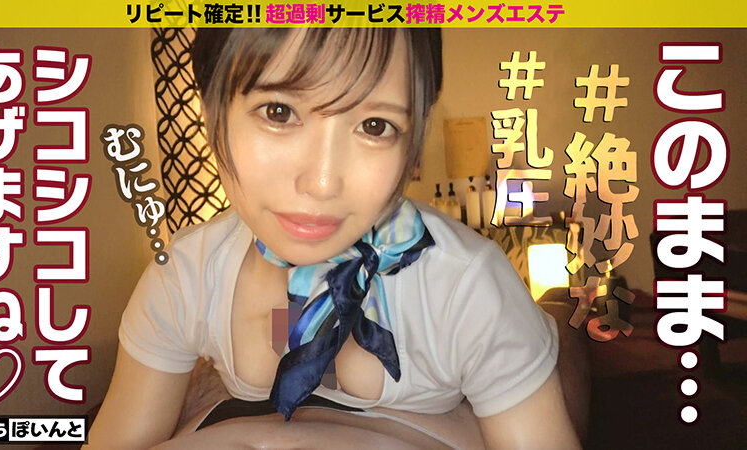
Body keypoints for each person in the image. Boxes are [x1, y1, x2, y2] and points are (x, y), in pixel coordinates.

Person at [87, 28, 580, 449]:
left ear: (414, 144)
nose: (322, 183)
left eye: (374, 126)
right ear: (212, 114)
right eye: (278, 112)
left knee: (566, 338)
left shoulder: (468, 285)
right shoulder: (187, 275)